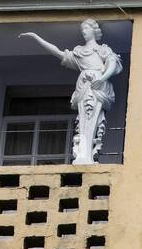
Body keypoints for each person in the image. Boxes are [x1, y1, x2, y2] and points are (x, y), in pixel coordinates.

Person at [18, 19, 122, 164]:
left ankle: (87, 155)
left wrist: (102, 78)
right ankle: (83, 155)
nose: (83, 32)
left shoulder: (102, 49)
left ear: (94, 30)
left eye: (86, 28)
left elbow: (112, 63)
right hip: (84, 85)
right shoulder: (79, 52)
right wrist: (36, 37)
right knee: (84, 117)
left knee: (94, 116)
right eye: (82, 30)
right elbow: (58, 52)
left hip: (97, 84)